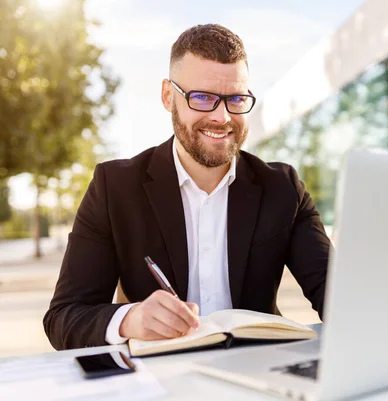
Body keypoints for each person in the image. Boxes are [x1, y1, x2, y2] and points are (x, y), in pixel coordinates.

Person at [43, 24, 331, 350]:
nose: (222, 117)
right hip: (159, 381)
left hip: (257, 375)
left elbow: (336, 296)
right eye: (203, 98)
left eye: (235, 99)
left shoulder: (283, 188)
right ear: (169, 96)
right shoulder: (115, 187)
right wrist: (130, 319)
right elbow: (64, 317)